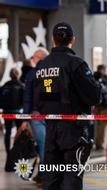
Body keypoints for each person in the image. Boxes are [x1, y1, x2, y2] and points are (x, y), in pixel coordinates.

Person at [33, 22, 101, 190]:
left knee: (51, 178)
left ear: (53, 40)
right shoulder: (75, 64)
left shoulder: (43, 65)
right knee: (72, 176)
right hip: (73, 130)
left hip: (50, 128)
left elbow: (41, 98)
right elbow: (94, 94)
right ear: (73, 40)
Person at [20, 47, 49, 188]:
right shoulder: (53, 72)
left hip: (37, 114)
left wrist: (25, 118)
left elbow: (28, 98)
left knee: (43, 147)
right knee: (50, 146)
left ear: (37, 58)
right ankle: (45, 175)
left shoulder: (32, 74)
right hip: (53, 115)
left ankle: (45, 177)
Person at [2, 68, 24, 154]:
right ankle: (18, 150)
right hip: (18, 111)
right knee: (19, 131)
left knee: (8, 132)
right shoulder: (21, 85)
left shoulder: (5, 85)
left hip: (6, 111)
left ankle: (8, 151)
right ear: (19, 74)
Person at [93, 64, 107, 150]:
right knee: (102, 125)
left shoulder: (93, 77)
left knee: (97, 125)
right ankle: (99, 143)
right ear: (103, 70)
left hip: (96, 106)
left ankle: (97, 142)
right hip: (104, 106)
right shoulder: (106, 78)